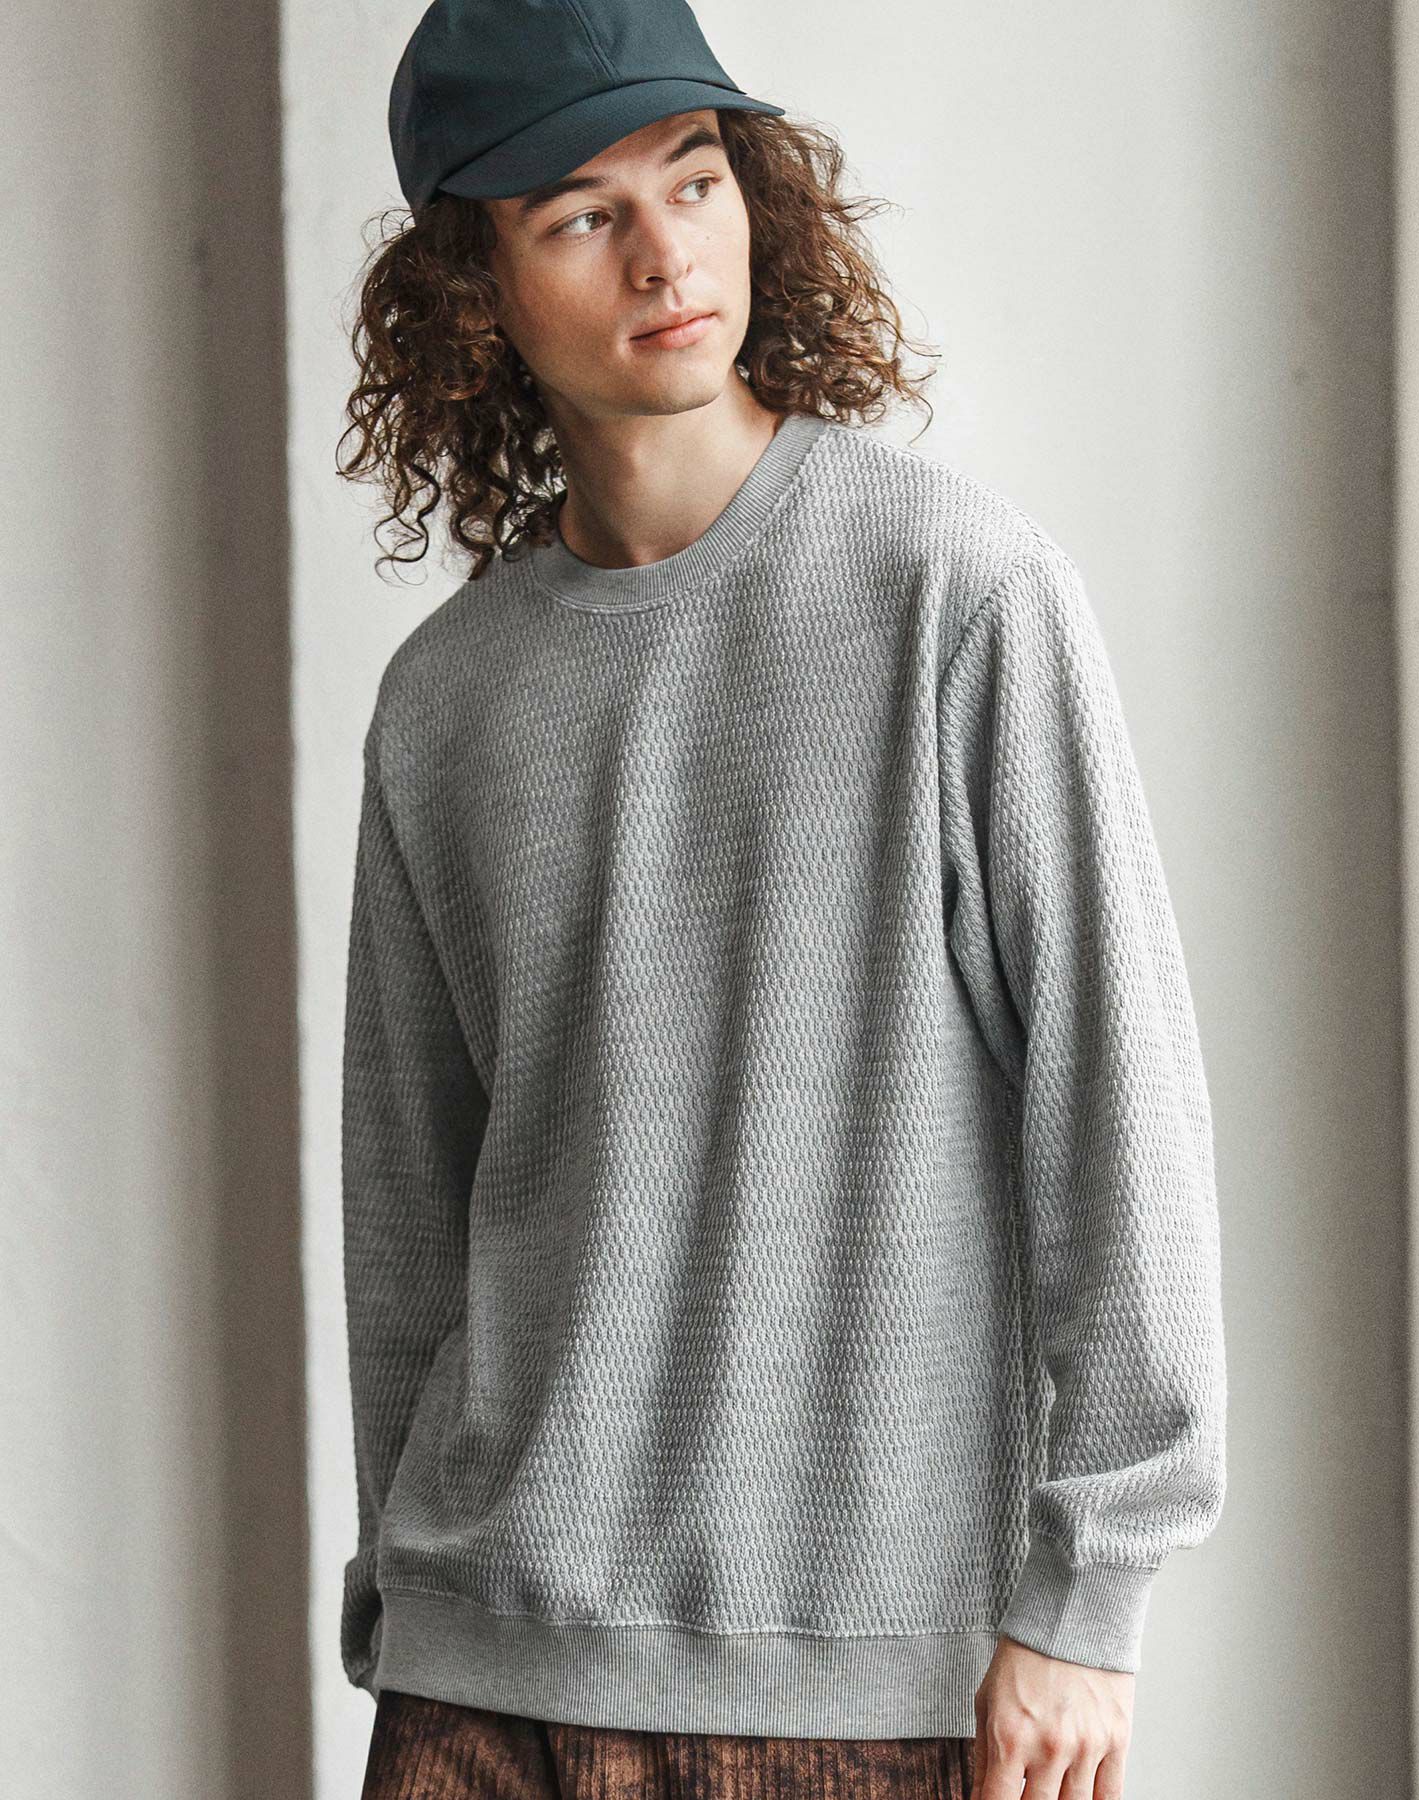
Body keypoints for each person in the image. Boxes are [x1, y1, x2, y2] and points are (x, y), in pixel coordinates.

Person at [334, 0, 1229, 1795]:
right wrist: (404, 1593)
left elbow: (1118, 1104)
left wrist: (1090, 1595)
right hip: (483, 1668)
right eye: (582, 214)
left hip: (855, 1686)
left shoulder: (959, 596)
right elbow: (407, 1210)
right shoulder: (445, 702)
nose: (668, 254)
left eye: (696, 177)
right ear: (473, 291)